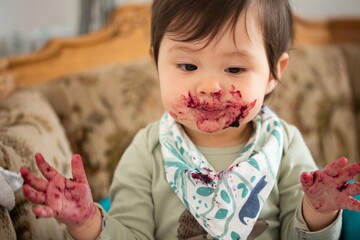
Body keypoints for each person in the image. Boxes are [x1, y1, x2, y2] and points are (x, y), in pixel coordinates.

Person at [20, 0, 360, 239]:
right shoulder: (149, 150)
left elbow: (297, 236)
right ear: (157, 63)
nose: (211, 87)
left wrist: (318, 212)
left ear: (274, 72)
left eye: (235, 69)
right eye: (187, 66)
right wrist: (87, 222)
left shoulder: (283, 145)